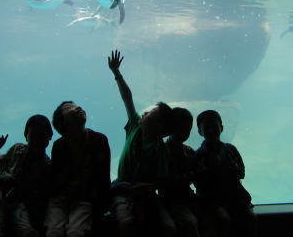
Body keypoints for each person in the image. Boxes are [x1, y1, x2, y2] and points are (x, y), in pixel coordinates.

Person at [107, 50, 175, 237]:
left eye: (150, 113)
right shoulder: (135, 127)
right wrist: (117, 73)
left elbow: (161, 181)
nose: (144, 113)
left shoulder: (160, 149)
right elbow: (127, 98)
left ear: (158, 125)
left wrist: (145, 187)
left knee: (166, 227)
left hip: (146, 195)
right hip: (122, 190)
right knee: (127, 223)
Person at [0, 114, 53, 237]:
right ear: (26, 135)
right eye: (33, 134)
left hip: (20, 202)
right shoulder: (17, 149)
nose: (36, 139)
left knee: (28, 232)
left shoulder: (47, 165)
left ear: (49, 137)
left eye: (41, 135)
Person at [44, 101, 111, 237]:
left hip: (84, 199)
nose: (77, 107)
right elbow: (55, 179)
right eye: (69, 108)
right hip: (60, 200)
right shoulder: (58, 146)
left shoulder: (99, 139)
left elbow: (103, 177)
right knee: (53, 231)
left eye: (75, 105)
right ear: (62, 122)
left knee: (76, 232)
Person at [193, 110, 257, 237]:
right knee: (224, 219)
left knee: (250, 218)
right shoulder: (199, 155)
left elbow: (242, 173)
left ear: (221, 128)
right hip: (212, 200)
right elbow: (199, 185)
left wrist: (235, 170)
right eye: (207, 128)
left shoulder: (231, 149)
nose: (211, 130)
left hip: (234, 197)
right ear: (200, 132)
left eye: (214, 126)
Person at [157, 107, 201, 237]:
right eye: (182, 128)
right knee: (190, 223)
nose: (185, 133)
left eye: (188, 130)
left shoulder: (190, 151)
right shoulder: (161, 150)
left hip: (188, 196)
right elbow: (162, 181)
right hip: (170, 199)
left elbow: (196, 176)